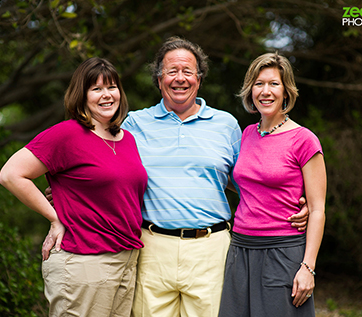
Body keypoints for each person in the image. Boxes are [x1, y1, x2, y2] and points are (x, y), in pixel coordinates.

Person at [120, 37, 309, 317]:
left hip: (211, 249)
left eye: (188, 71)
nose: (180, 78)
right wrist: (67, 189)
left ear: (199, 78)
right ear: (159, 79)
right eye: (172, 71)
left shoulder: (226, 126)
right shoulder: (135, 124)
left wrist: (297, 203)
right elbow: (107, 169)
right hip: (152, 248)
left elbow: (247, 179)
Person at [0, 57, 146, 316]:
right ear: (81, 95)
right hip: (84, 259)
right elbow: (11, 174)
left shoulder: (127, 139)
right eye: (96, 89)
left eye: (112, 87)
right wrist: (54, 217)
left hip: (126, 258)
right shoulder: (67, 134)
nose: (106, 95)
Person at [218, 53, 326, 316]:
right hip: (240, 249)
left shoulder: (304, 140)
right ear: (250, 90)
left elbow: (318, 208)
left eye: (273, 84)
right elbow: (245, 184)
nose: (265, 91)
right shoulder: (246, 135)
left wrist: (308, 267)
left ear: (286, 91)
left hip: (282, 252)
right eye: (259, 84)